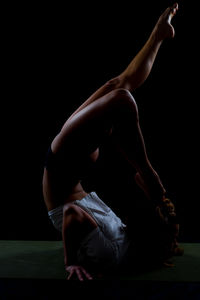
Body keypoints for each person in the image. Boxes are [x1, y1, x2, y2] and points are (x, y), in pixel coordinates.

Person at [42, 3, 181, 281]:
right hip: (73, 171)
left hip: (62, 171)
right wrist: (166, 237)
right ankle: (158, 34)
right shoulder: (129, 241)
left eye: (152, 207)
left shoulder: (113, 253)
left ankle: (146, 168)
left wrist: (70, 262)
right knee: (115, 86)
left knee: (120, 98)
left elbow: (71, 214)